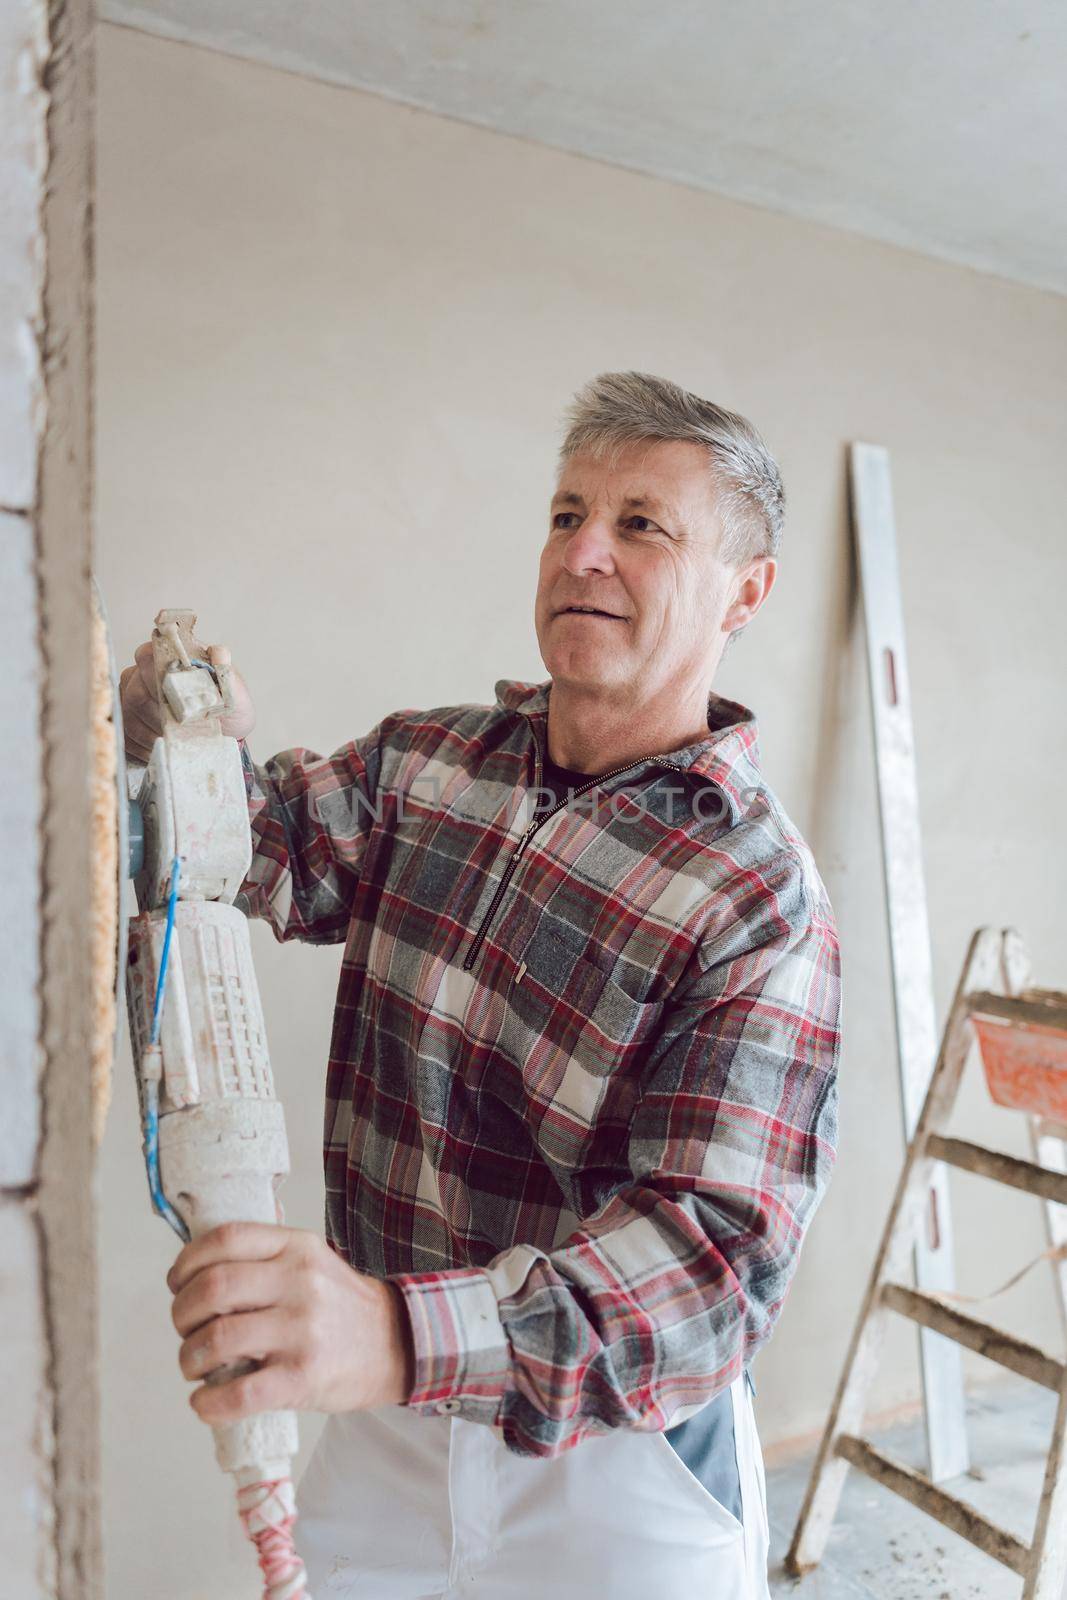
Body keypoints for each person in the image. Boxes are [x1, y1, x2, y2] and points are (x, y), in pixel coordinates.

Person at [120, 370, 842, 1599]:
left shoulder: (758, 897)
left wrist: (394, 1335)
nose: (585, 554)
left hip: (618, 1473)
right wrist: (159, 748)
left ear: (746, 590)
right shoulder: (428, 763)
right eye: (567, 514)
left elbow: (707, 1264)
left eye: (640, 524)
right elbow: (245, 849)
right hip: (387, 1421)